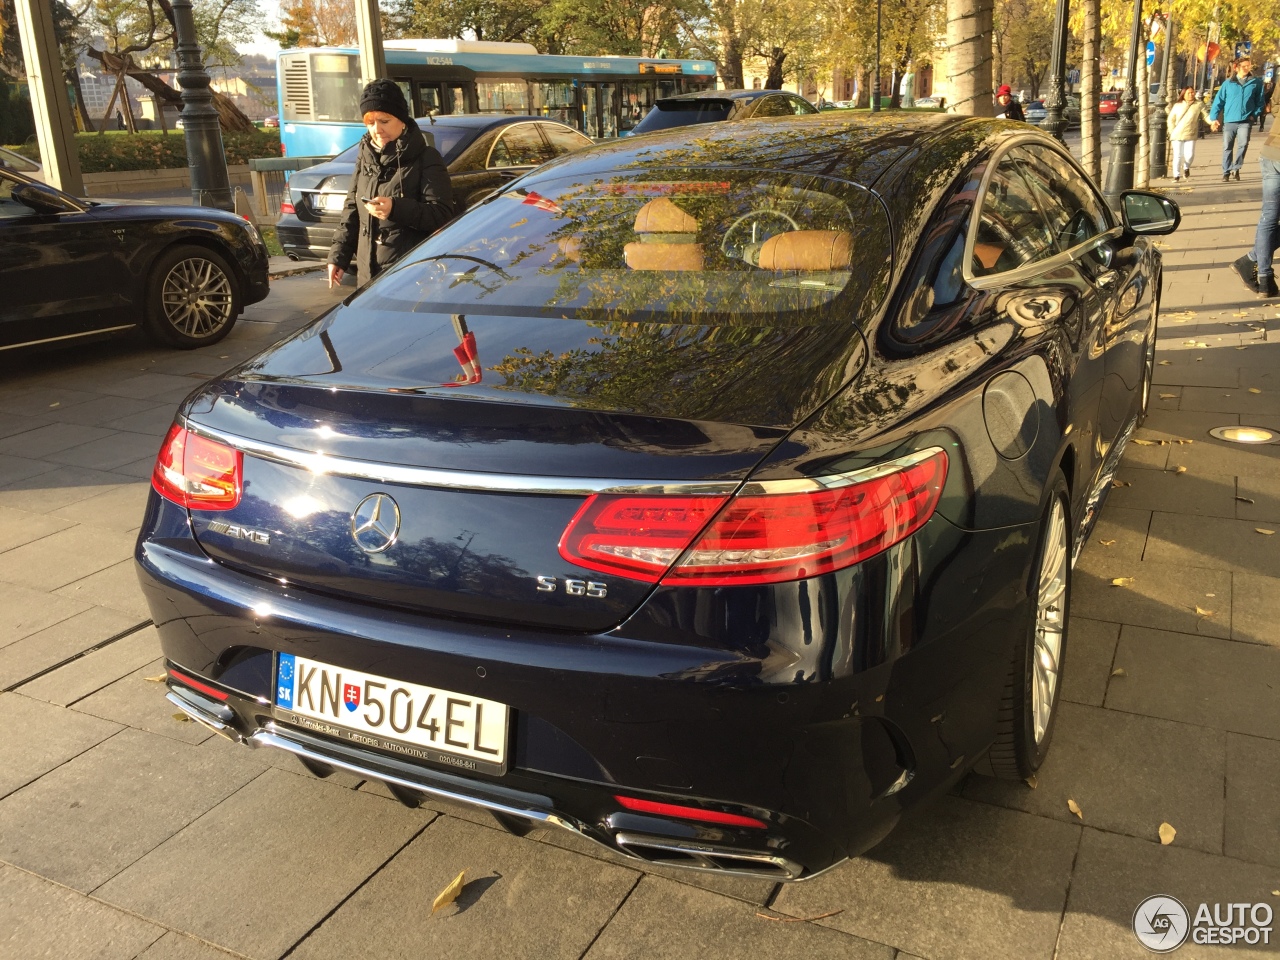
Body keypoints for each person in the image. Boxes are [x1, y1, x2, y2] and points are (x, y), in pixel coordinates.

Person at [327, 79, 454, 289]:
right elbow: (351, 210)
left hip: (410, 275)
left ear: (402, 120)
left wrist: (395, 208)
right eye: (370, 123)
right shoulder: (365, 156)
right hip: (367, 276)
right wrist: (338, 257)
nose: (377, 130)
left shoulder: (426, 158)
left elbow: (442, 214)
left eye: (384, 121)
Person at [1231, 81, 1280, 298]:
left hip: (1272, 152)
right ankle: (1251, 262)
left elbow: (1274, 106)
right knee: (1269, 217)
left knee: (1269, 217)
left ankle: (1264, 278)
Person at [1209, 57, 1265, 181]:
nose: (1246, 68)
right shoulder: (1228, 83)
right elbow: (1219, 101)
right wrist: (1214, 118)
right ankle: (1226, 171)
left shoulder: (1256, 83)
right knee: (1227, 147)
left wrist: (1253, 115)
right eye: (1244, 66)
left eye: (1248, 66)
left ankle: (1236, 168)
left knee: (1243, 144)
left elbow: (1260, 102)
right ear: (1237, 68)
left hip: (1245, 121)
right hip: (1229, 121)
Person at [1168, 87, 1206, 181]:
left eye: (1193, 92)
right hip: (1177, 134)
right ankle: (1176, 175)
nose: (1191, 94)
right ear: (1183, 94)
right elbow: (1171, 119)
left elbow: (1206, 115)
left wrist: (1212, 122)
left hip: (1190, 134)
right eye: (1189, 93)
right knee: (1177, 155)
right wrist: (1172, 131)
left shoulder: (1199, 104)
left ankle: (1186, 167)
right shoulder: (1178, 105)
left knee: (1189, 155)